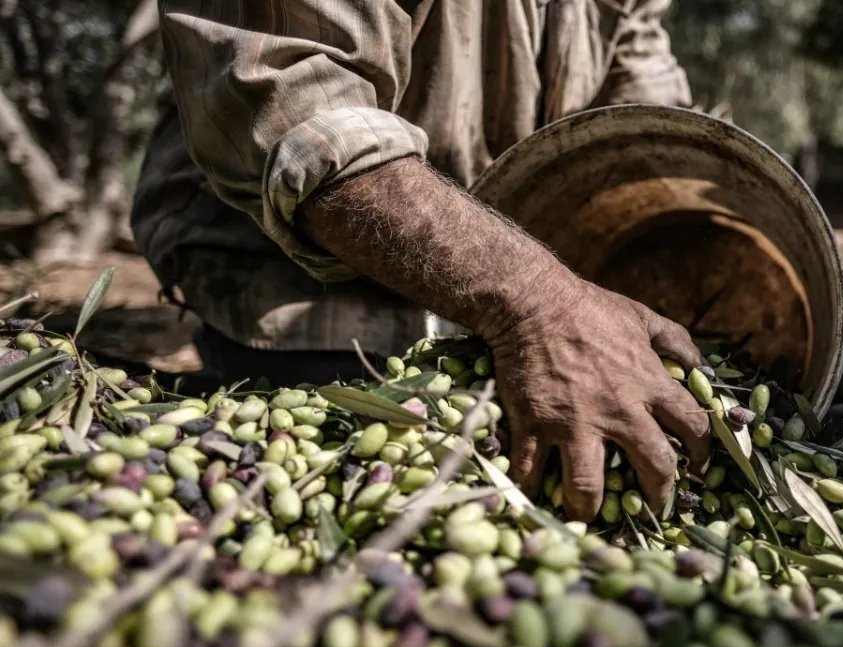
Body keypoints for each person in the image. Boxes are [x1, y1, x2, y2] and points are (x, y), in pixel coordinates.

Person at [130, 0, 710, 522]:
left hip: (506, 317)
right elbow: (293, 106)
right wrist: (539, 304)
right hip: (300, 300)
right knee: (303, 488)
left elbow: (648, 119)